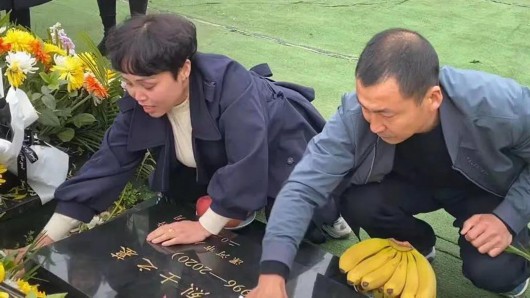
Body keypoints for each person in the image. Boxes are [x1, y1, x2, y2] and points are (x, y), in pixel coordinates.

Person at [248, 28, 530, 298]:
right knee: (359, 201)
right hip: (413, 184)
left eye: (386, 114)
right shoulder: (356, 115)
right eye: (366, 108)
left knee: (491, 272)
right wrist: (272, 272)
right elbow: (302, 187)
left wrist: (507, 217)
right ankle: (418, 245)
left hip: (484, 190)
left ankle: (512, 271)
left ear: (432, 98)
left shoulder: (500, 106)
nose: (374, 125)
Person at [36, 14, 351, 250]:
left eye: (147, 85)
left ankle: (329, 213)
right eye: (127, 83)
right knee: (182, 199)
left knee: (304, 215)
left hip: (278, 144)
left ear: (184, 69)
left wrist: (205, 226)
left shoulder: (233, 88)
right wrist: (45, 241)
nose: (136, 94)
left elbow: (249, 162)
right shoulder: (139, 96)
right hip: (208, 151)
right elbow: (111, 161)